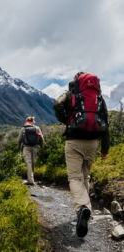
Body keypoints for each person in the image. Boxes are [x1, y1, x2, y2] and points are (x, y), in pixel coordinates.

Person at [53, 72, 110, 238]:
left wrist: (66, 120)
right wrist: (105, 149)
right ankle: (86, 209)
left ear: (76, 81)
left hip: (74, 141)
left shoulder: (71, 94)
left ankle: (82, 208)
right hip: (93, 142)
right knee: (85, 177)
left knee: (75, 178)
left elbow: (57, 104)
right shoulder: (98, 97)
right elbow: (105, 123)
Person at [17, 116, 44, 186]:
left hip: (26, 147)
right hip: (35, 147)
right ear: (33, 122)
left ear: (26, 121)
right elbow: (41, 138)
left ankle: (30, 180)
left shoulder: (23, 129)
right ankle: (31, 178)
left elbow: (19, 140)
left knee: (28, 163)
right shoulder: (37, 128)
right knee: (33, 162)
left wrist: (18, 148)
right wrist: (41, 146)